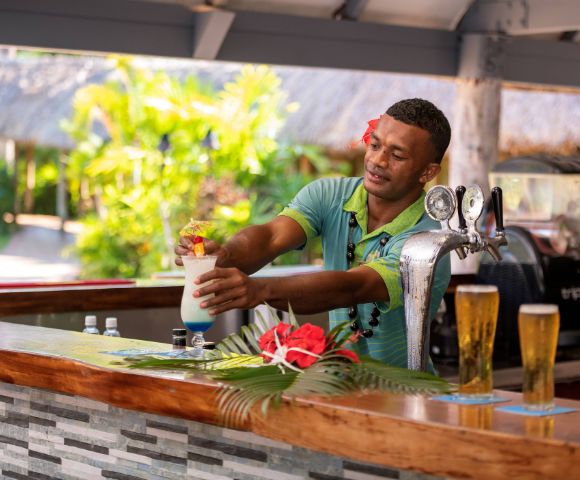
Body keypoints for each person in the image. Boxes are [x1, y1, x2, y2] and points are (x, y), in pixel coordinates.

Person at [175, 98, 452, 368]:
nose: (377, 160)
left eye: (397, 155)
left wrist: (260, 290)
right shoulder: (329, 195)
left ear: (427, 172)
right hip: (338, 386)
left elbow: (353, 287)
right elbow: (271, 236)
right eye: (375, 144)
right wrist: (226, 254)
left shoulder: (425, 243)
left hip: (404, 395)